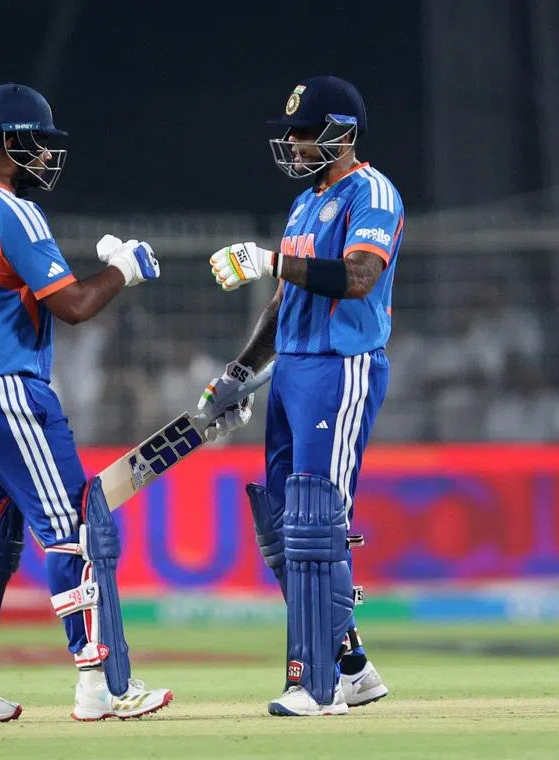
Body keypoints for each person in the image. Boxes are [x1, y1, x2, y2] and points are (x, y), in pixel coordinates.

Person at [0, 83, 171, 724]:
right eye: (40, 143)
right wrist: (126, 269)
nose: (48, 156)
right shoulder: (16, 213)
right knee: (76, 531)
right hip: (10, 394)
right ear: (10, 142)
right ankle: (99, 684)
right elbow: (73, 306)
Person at [196, 75, 398, 717]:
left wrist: (270, 261)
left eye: (305, 132)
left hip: (340, 367)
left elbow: (360, 277)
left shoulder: (372, 192)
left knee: (317, 521)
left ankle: (316, 684)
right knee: (285, 526)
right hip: (291, 369)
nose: (293, 142)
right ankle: (352, 667)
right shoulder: (306, 203)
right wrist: (238, 372)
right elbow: (283, 301)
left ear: (341, 132)